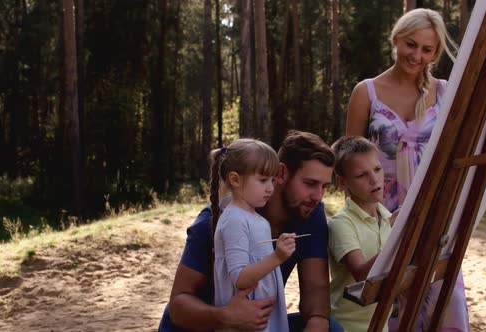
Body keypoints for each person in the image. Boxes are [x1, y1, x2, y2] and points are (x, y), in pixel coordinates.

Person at [345, 8, 469, 332]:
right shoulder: (365, 92)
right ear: (396, 39)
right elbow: (348, 160)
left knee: (445, 300)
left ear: (436, 53)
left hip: (434, 214)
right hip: (382, 215)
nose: (417, 55)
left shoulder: (444, 92)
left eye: (427, 49)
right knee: (391, 307)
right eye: (410, 44)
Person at [158, 130, 341, 332]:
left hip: (260, 325)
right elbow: (178, 306)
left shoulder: (311, 212)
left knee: (330, 328)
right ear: (281, 173)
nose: (318, 196)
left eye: (324, 186)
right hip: (204, 325)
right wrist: (226, 317)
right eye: (310, 184)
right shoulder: (219, 220)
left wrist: (317, 322)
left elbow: (316, 287)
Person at [210, 139, 296, 331]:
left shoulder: (257, 219)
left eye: (272, 180)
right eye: (263, 180)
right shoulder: (235, 219)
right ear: (235, 179)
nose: (270, 188)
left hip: (262, 317)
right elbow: (240, 278)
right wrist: (278, 257)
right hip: (246, 320)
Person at [328, 136, 394, 331]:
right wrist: (400, 237)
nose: (374, 179)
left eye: (377, 169)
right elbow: (362, 274)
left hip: (381, 324)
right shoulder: (342, 224)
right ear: (342, 182)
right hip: (345, 326)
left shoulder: (387, 217)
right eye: (361, 175)